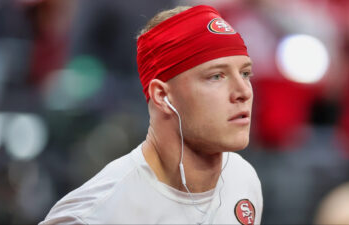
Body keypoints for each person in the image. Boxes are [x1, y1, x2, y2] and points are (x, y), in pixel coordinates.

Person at [40, 5, 263, 224]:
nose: (244, 91)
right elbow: (80, 67)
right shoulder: (92, 214)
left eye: (245, 73)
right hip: (114, 111)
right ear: (162, 95)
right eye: (216, 76)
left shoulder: (242, 179)